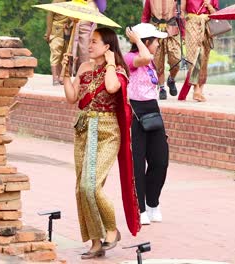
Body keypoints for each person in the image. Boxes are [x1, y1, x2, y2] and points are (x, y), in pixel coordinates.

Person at [61, 27, 140, 259]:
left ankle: (112, 229)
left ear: (107, 47)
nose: (90, 45)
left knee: (91, 186)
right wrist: (66, 72)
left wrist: (110, 63)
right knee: (80, 188)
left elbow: (112, 87)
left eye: (95, 42)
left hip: (106, 132)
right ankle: (95, 242)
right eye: (90, 42)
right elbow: (71, 97)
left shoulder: (116, 70)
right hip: (84, 130)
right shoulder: (84, 68)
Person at [124, 23, 169, 225]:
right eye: (155, 40)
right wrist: (137, 41)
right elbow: (145, 57)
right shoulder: (130, 58)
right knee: (137, 163)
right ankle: (140, 208)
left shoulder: (151, 62)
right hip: (135, 113)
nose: (158, 44)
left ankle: (153, 203)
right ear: (145, 41)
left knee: (160, 160)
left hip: (152, 111)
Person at [141, 0, 186, 100]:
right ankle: (162, 88)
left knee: (176, 59)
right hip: (155, 31)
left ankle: (171, 79)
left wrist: (183, 33)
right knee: (157, 62)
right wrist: (143, 34)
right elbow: (145, 16)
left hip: (172, 31)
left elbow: (181, 16)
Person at [178, 0, 218, 102]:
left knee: (205, 57)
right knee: (194, 56)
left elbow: (216, 14)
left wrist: (209, 5)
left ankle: (201, 89)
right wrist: (182, 31)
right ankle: (196, 88)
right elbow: (182, 12)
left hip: (206, 25)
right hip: (191, 25)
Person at [44, 0, 70, 86]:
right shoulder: (56, 4)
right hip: (58, 33)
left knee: (61, 56)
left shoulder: (69, 5)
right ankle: (55, 78)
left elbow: (49, 21)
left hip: (62, 33)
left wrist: (47, 34)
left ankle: (59, 77)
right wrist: (48, 34)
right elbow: (49, 21)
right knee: (57, 55)